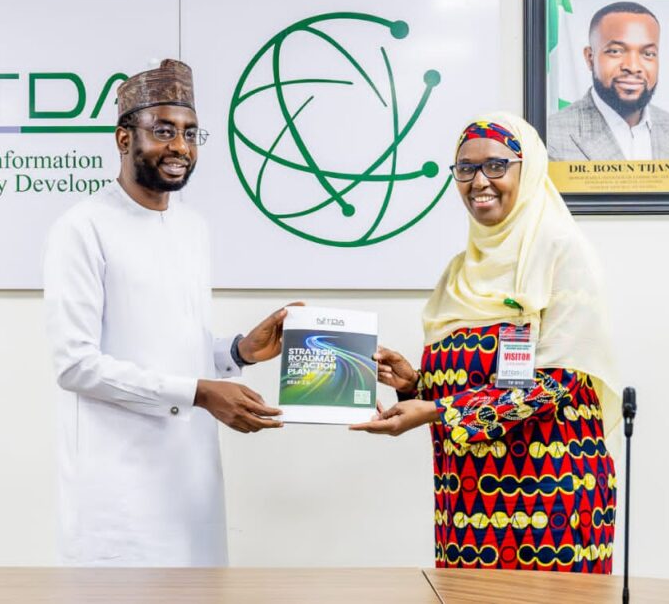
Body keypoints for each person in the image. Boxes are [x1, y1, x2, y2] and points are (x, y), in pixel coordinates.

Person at [43, 59, 295, 567]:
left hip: (192, 482)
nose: (181, 146)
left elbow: (171, 344)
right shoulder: (82, 228)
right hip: (119, 491)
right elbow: (75, 365)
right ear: (124, 138)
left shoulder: (193, 227)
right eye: (163, 131)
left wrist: (238, 351)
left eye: (190, 133)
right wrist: (200, 393)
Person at [352, 113, 619, 573]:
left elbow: (557, 381)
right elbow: (473, 382)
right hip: (467, 503)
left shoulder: (561, 251)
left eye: (496, 165)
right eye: (466, 168)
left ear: (528, 169)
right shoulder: (460, 271)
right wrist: (415, 385)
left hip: (551, 498)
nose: (479, 182)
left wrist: (436, 410)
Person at [547, 1, 669, 161]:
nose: (633, 67)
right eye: (616, 51)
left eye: (648, 54)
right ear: (590, 58)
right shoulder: (551, 135)